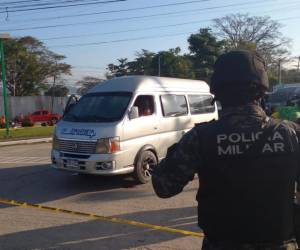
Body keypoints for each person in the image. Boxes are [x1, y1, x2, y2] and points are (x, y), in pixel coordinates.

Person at [152, 50, 300, 250]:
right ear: (262, 91)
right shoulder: (291, 133)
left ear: (217, 92)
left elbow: (164, 187)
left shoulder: (200, 138)